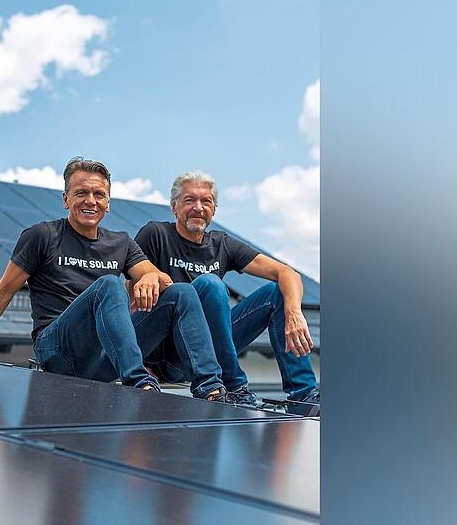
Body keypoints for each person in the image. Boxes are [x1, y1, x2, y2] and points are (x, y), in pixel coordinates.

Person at [0, 158, 234, 403]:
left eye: (99, 194)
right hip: (59, 350)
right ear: (66, 199)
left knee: (181, 291)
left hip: (104, 356)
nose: (91, 201)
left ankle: (210, 387)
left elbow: (164, 281)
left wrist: (150, 277)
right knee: (109, 284)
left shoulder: (121, 243)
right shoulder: (43, 236)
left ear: (108, 203)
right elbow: (3, 290)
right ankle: (139, 384)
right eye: (81, 193)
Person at [133, 171, 320, 408]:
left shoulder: (221, 244)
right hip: (167, 358)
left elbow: (287, 273)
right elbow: (131, 289)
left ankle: (303, 394)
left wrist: (294, 313)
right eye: (190, 200)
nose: (198, 207)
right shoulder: (156, 234)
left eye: (206, 201)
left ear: (214, 209)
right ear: (174, 207)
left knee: (277, 292)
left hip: (212, 353)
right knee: (210, 284)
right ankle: (235, 386)